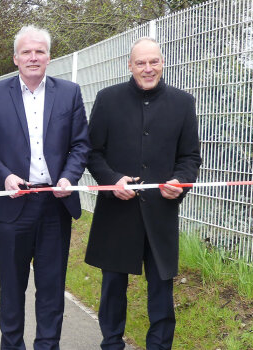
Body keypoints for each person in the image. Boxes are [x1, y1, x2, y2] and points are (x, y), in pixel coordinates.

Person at [0, 25, 91, 350]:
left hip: (55, 205)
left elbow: (81, 146)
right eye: (27, 51)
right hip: (12, 206)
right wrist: (5, 177)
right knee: (12, 287)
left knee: (51, 289)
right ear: (16, 58)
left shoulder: (69, 93)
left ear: (49, 57)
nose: (33, 57)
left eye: (39, 51)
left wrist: (69, 176)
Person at [85, 37, 201, 350]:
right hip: (117, 210)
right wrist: (112, 181)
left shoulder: (182, 103)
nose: (148, 69)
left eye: (153, 62)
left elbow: (190, 157)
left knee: (161, 290)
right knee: (112, 287)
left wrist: (180, 182)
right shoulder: (108, 100)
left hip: (161, 212)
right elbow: (92, 152)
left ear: (163, 62)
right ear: (130, 65)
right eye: (141, 63)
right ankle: (111, 343)